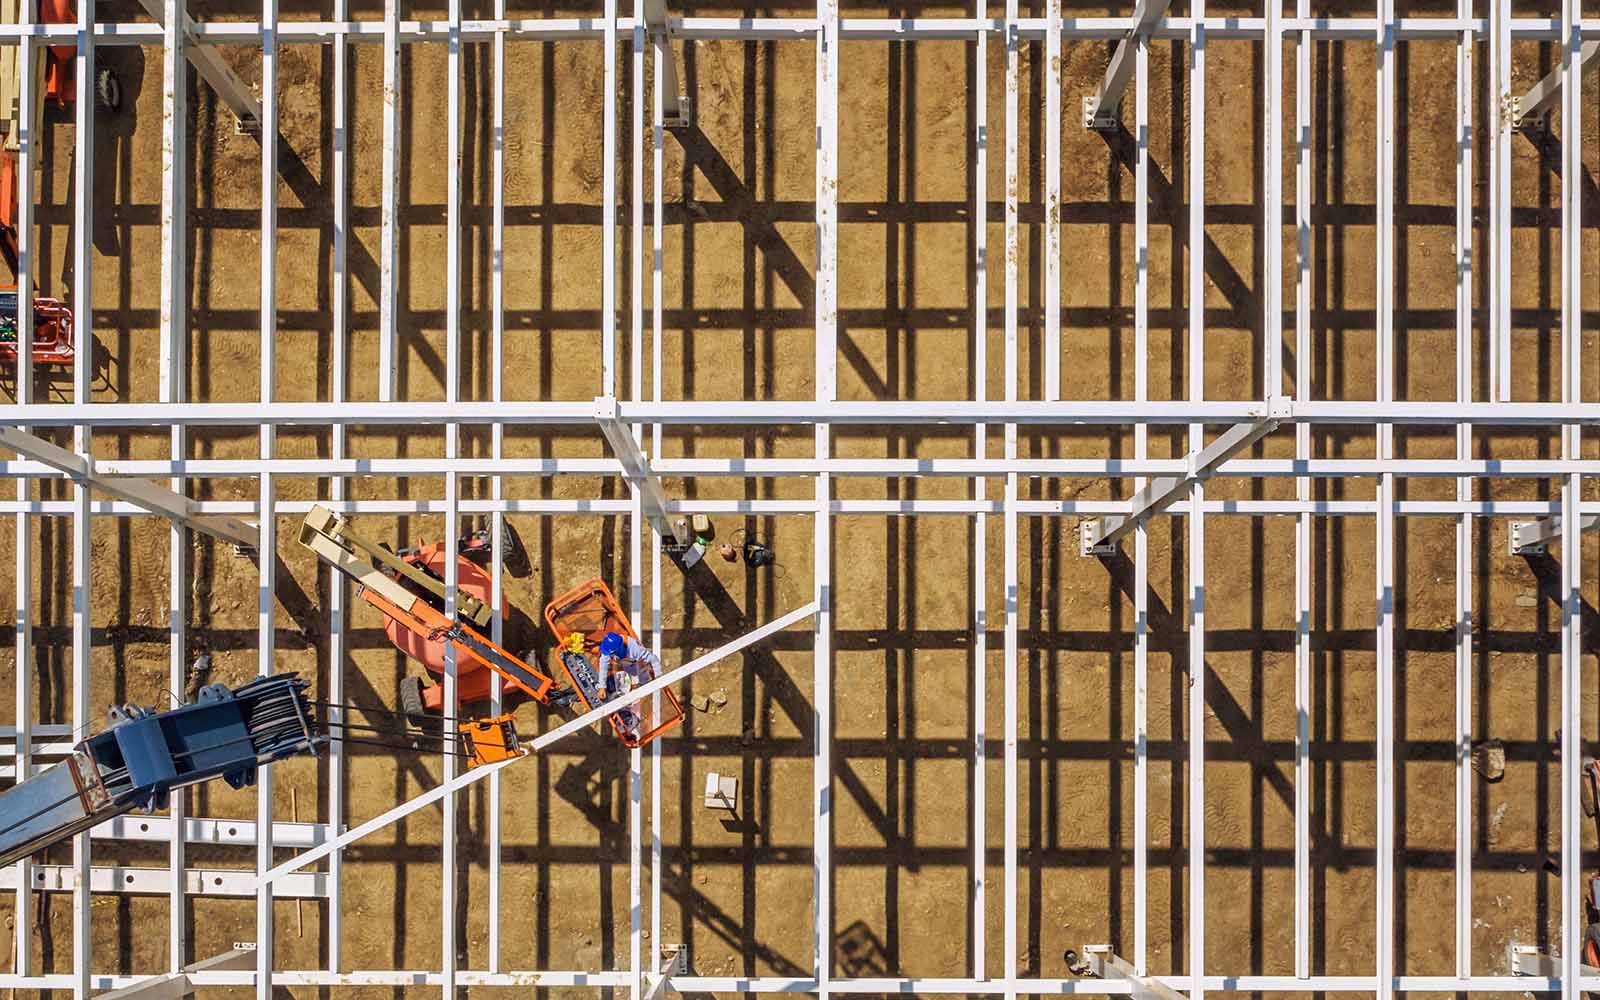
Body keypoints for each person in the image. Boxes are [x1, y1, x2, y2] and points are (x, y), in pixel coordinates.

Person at [596, 631, 661, 740]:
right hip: (625, 664)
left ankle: (643, 690)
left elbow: (653, 659)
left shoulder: (635, 650)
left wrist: (659, 678)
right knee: (620, 680)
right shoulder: (611, 646)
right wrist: (602, 686)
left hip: (635, 664)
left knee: (642, 673)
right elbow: (603, 664)